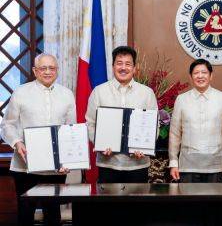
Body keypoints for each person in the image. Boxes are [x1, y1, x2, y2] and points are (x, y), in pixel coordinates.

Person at [0, 54, 75, 226]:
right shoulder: (21, 92)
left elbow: (71, 131)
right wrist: (17, 142)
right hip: (25, 167)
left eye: (52, 68)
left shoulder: (67, 95)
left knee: (53, 216)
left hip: (55, 170)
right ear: (35, 71)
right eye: (43, 68)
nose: (48, 72)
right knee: (25, 215)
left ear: (57, 70)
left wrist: (69, 159)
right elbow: (7, 125)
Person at [86, 46, 157, 183]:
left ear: (135, 68)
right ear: (113, 66)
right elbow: (90, 123)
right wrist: (100, 143)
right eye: (119, 63)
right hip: (108, 163)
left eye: (128, 64)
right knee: (109, 204)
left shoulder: (147, 93)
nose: (123, 67)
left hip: (138, 164)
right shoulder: (99, 92)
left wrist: (144, 146)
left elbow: (154, 125)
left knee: (136, 204)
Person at [169, 59, 222, 182]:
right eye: (196, 73)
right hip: (188, 166)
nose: (200, 76)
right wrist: (173, 162)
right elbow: (175, 133)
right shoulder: (182, 99)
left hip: (216, 166)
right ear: (191, 76)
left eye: (204, 72)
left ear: (211, 76)